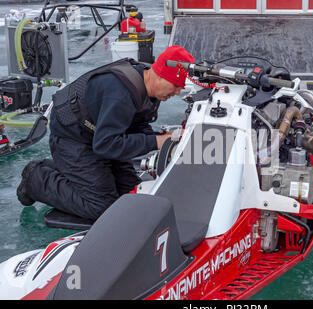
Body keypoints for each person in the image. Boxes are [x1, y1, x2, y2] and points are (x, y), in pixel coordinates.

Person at [16, 45, 195, 220]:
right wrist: (156, 142)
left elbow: (136, 126)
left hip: (101, 134)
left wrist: (163, 138)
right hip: (72, 136)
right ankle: (36, 178)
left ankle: (71, 171)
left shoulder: (150, 88)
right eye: (175, 85)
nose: (178, 92)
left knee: (130, 195)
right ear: (160, 76)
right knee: (102, 207)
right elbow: (106, 146)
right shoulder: (120, 93)